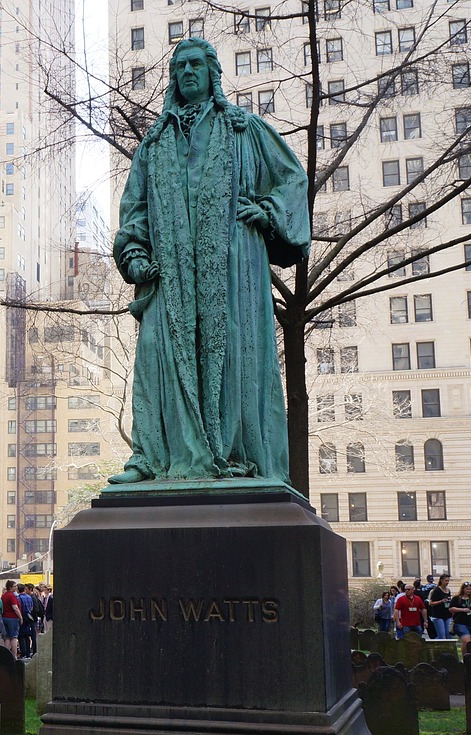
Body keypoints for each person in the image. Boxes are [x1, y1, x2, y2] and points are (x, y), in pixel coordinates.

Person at [108, 37, 310, 485]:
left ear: (212, 72)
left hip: (233, 268)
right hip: (169, 273)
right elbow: (134, 211)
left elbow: (292, 180)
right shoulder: (154, 145)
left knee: (233, 355)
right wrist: (136, 255)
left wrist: (269, 212)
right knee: (157, 354)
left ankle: (237, 453)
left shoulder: (244, 129)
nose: (187, 72)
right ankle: (152, 457)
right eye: (179, 66)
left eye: (195, 64)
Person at [1, 579, 23, 658]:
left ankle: (6, 656)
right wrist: (20, 617)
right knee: (13, 637)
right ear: (10, 587)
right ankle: (14, 656)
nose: (16, 587)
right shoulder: (12, 596)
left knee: (7, 638)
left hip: (4, 617)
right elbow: (15, 608)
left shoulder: (4, 596)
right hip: (13, 618)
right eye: (14, 586)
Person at [426, 574, 452, 640]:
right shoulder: (436, 590)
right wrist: (441, 601)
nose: (447, 582)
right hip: (438, 615)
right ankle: (433, 645)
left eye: (448, 581)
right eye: (446, 580)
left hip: (447, 614)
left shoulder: (448, 590)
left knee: (448, 634)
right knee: (441, 635)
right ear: (441, 580)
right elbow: (431, 603)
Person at [18, 583, 37, 658]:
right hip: (29, 617)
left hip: (22, 617)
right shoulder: (29, 597)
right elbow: (32, 608)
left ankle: (24, 652)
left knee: (21, 635)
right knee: (27, 636)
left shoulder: (19, 598)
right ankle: (28, 652)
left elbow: (18, 608)